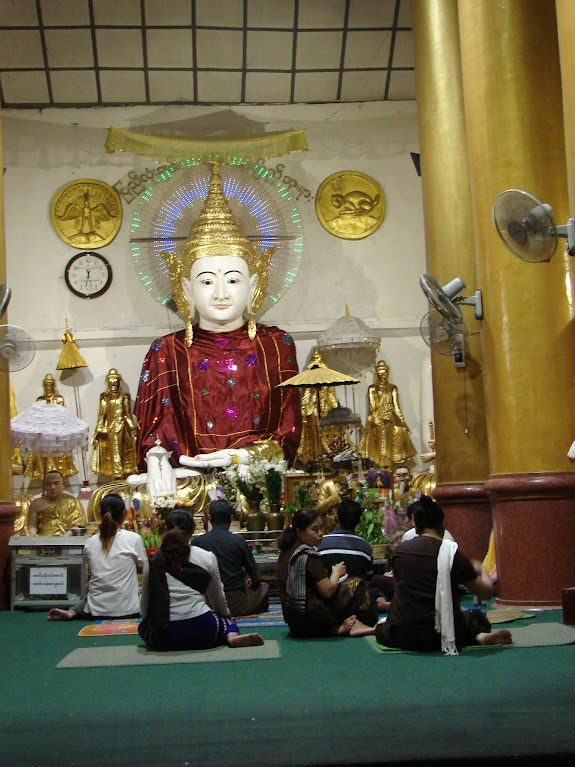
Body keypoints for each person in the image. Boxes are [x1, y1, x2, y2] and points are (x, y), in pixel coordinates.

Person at [134, 164, 301, 472]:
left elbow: (288, 433)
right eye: (207, 281)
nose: (221, 293)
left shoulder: (278, 346)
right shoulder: (167, 351)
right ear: (186, 287)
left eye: (234, 280)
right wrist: (157, 460)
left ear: (254, 284)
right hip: (189, 477)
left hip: (255, 475)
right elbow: (154, 432)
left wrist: (242, 458)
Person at [375, 495, 512, 654]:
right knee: (475, 618)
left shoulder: (401, 551)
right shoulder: (452, 553)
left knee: (382, 629)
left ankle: (476, 636)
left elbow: (398, 591)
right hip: (444, 633)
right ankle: (477, 636)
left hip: (404, 633)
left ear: (416, 526)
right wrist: (483, 570)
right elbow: (486, 593)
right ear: (444, 524)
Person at [138, 508, 264, 651]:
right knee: (226, 619)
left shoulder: (153, 560)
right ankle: (231, 635)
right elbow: (218, 599)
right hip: (203, 629)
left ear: (165, 529)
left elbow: (145, 605)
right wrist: (227, 617)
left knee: (142, 627)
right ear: (192, 530)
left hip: (163, 635)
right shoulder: (206, 556)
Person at [276, 507, 378, 638]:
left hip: (294, 622)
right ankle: (356, 624)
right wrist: (336, 573)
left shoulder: (286, 552)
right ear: (299, 532)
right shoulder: (309, 555)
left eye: (321, 528)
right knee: (357, 585)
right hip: (314, 620)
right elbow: (327, 591)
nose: (320, 533)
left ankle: (336, 629)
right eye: (314, 529)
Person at [47, 493, 148, 620]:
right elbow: (144, 570)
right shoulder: (133, 539)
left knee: (93, 593)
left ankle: (73, 611)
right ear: (124, 514)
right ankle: (74, 611)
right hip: (128, 609)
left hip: (96, 610)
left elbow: (92, 574)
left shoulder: (90, 542)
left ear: (100, 515)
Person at [193, 499, 269, 616]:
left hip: (207, 603)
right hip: (235, 602)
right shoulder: (238, 541)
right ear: (231, 517)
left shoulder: (197, 543)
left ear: (209, 518)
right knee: (264, 587)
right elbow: (256, 578)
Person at [296, 348, 352, 465]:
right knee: (315, 421)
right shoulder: (308, 381)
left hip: (327, 411)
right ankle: (316, 457)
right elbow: (305, 400)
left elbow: (332, 397)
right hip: (312, 412)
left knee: (332, 426)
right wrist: (304, 412)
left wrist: (338, 412)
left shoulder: (328, 381)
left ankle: (330, 455)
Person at [359, 360, 416, 468]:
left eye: (385, 373)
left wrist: (404, 424)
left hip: (389, 420)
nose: (384, 376)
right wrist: (368, 424)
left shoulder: (392, 388)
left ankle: (388, 471)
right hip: (377, 420)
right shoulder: (372, 388)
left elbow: (396, 408)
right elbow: (372, 408)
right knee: (381, 446)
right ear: (377, 374)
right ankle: (382, 471)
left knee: (391, 441)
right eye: (381, 374)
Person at [25, 374, 78, 479]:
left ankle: (58, 477)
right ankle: (45, 475)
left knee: (58, 455)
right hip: (44, 433)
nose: (48, 388)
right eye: (46, 385)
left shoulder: (59, 399)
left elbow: (61, 415)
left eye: (50, 385)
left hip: (56, 432)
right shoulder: (40, 400)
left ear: (54, 386)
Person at [91, 368, 138, 479]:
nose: (114, 384)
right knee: (113, 451)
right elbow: (102, 415)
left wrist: (133, 429)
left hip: (121, 427)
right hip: (109, 428)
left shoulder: (124, 396)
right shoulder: (104, 397)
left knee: (122, 451)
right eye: (111, 382)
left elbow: (127, 414)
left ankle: (121, 475)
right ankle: (116, 475)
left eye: (115, 382)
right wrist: (96, 433)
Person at [318, 498, 374, 581]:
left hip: (326, 593)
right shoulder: (366, 549)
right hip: (356, 593)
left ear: (336, 518)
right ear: (359, 521)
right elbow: (368, 577)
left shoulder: (320, 544)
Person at [27, 470, 86, 536]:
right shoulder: (36, 503)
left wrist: (65, 537)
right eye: (48, 484)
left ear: (63, 485)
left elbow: (77, 525)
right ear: (44, 486)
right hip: (42, 540)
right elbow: (32, 526)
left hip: (66, 539)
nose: (52, 487)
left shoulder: (72, 502)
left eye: (56, 483)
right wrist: (34, 535)